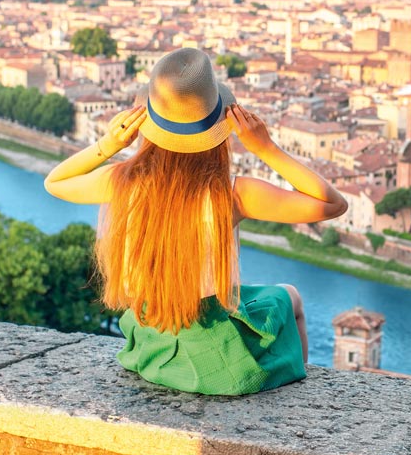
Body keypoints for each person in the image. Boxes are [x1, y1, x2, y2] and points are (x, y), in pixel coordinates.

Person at [44, 48, 347, 395]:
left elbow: (55, 182)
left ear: (150, 125)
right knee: (289, 297)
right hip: (216, 359)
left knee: (246, 297)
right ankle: (300, 393)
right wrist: (265, 148)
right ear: (218, 129)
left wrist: (108, 144)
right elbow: (332, 204)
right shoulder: (232, 194)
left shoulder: (123, 180)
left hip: (152, 345)